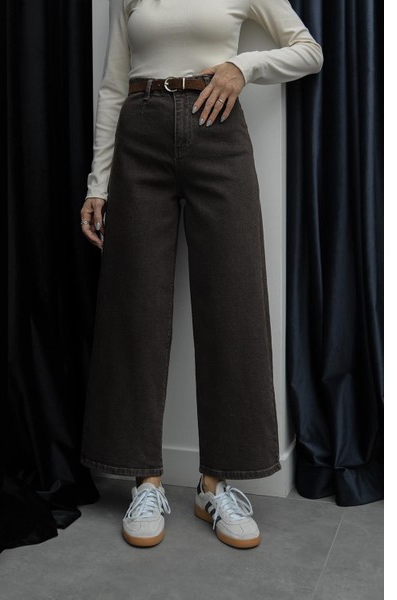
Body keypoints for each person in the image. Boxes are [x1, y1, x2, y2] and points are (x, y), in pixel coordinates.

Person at [79, 0, 323, 549]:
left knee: (235, 303)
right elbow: (113, 86)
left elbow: (310, 51)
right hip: (139, 132)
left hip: (218, 129)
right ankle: (145, 481)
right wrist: (98, 183)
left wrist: (243, 67)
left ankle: (217, 484)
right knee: (135, 307)